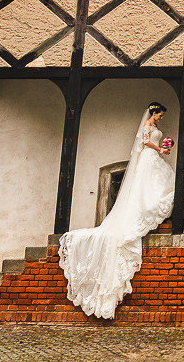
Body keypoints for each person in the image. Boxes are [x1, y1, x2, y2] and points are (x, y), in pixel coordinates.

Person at [58, 102, 175, 318]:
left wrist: (164, 148)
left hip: (153, 159)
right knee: (147, 188)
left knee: (160, 183)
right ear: (154, 112)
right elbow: (145, 141)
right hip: (148, 159)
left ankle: (153, 214)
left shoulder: (153, 124)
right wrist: (160, 148)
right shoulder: (147, 125)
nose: (161, 118)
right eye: (160, 115)